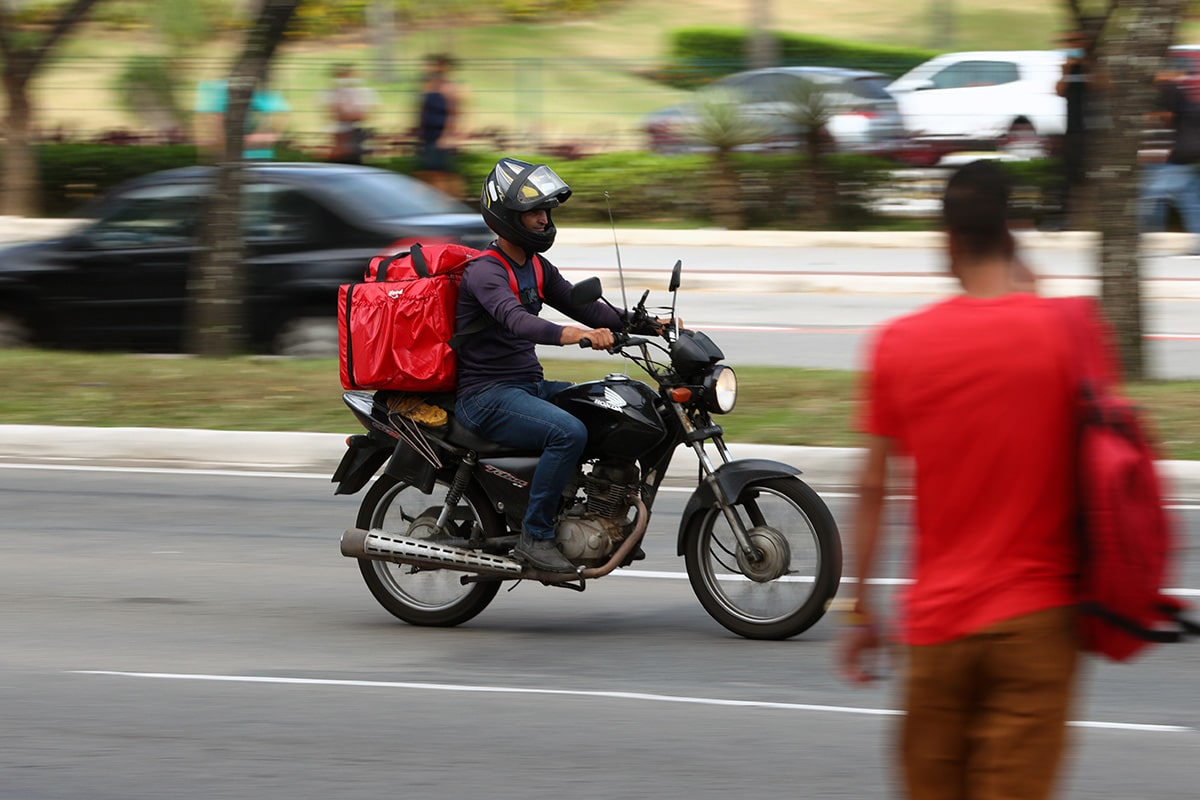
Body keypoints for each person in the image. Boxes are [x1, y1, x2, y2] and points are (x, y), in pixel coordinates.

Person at [837, 160, 1091, 800]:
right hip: (1039, 622)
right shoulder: (1069, 330)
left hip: (940, 630)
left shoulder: (899, 344)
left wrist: (862, 609)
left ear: (946, 241)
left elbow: (873, 489)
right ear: (1013, 233)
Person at [453, 158, 632, 573]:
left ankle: (599, 516)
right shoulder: (485, 271)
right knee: (567, 432)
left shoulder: (535, 264)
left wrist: (643, 323)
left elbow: (581, 304)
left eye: (546, 212)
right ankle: (536, 535)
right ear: (508, 216)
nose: (543, 219)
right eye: (534, 212)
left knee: (611, 406)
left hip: (525, 386)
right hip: (485, 395)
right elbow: (518, 320)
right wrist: (577, 336)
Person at [1139, 67, 1200, 254]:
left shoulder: (1169, 94)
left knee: (1147, 198)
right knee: (1189, 201)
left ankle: (1144, 238)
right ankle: (1149, 237)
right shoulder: (1178, 94)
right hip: (1177, 158)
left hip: (1168, 159)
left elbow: (1168, 118)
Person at [1053, 28, 1092, 229]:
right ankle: (1064, 218)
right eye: (1069, 41)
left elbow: (1100, 86)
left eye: (1075, 41)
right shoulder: (1067, 66)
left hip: (1092, 130)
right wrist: (1066, 71)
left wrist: (1085, 65)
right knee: (1068, 174)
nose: (1071, 45)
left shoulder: (1092, 64)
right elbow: (1058, 91)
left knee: (1088, 173)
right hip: (1073, 127)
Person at [194, 78, 290, 160]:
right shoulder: (216, 88)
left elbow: (279, 119)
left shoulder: (258, 88)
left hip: (251, 159)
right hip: (233, 159)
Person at [415, 53, 465, 198]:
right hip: (427, 135)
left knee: (442, 173)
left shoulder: (449, 87)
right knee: (428, 171)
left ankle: (450, 202)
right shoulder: (427, 86)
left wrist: (447, 136)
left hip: (440, 136)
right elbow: (421, 109)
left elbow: (453, 114)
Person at [324, 63, 378, 164]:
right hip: (339, 139)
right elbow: (335, 114)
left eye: (347, 75)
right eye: (341, 75)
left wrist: (349, 115)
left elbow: (368, 114)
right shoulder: (331, 93)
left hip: (354, 138)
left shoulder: (362, 92)